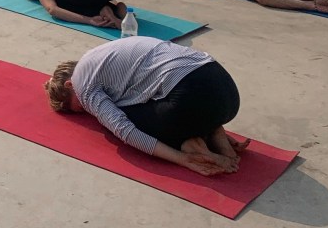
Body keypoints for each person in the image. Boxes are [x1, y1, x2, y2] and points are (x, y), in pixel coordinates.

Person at [45, 38, 245, 176]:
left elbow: (124, 130)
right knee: (143, 98)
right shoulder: (103, 54)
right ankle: (213, 129)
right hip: (228, 94)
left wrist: (182, 159)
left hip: (191, 99)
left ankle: (191, 144)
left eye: (80, 107)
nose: (88, 111)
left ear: (70, 85)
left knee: (115, 118)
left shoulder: (83, 84)